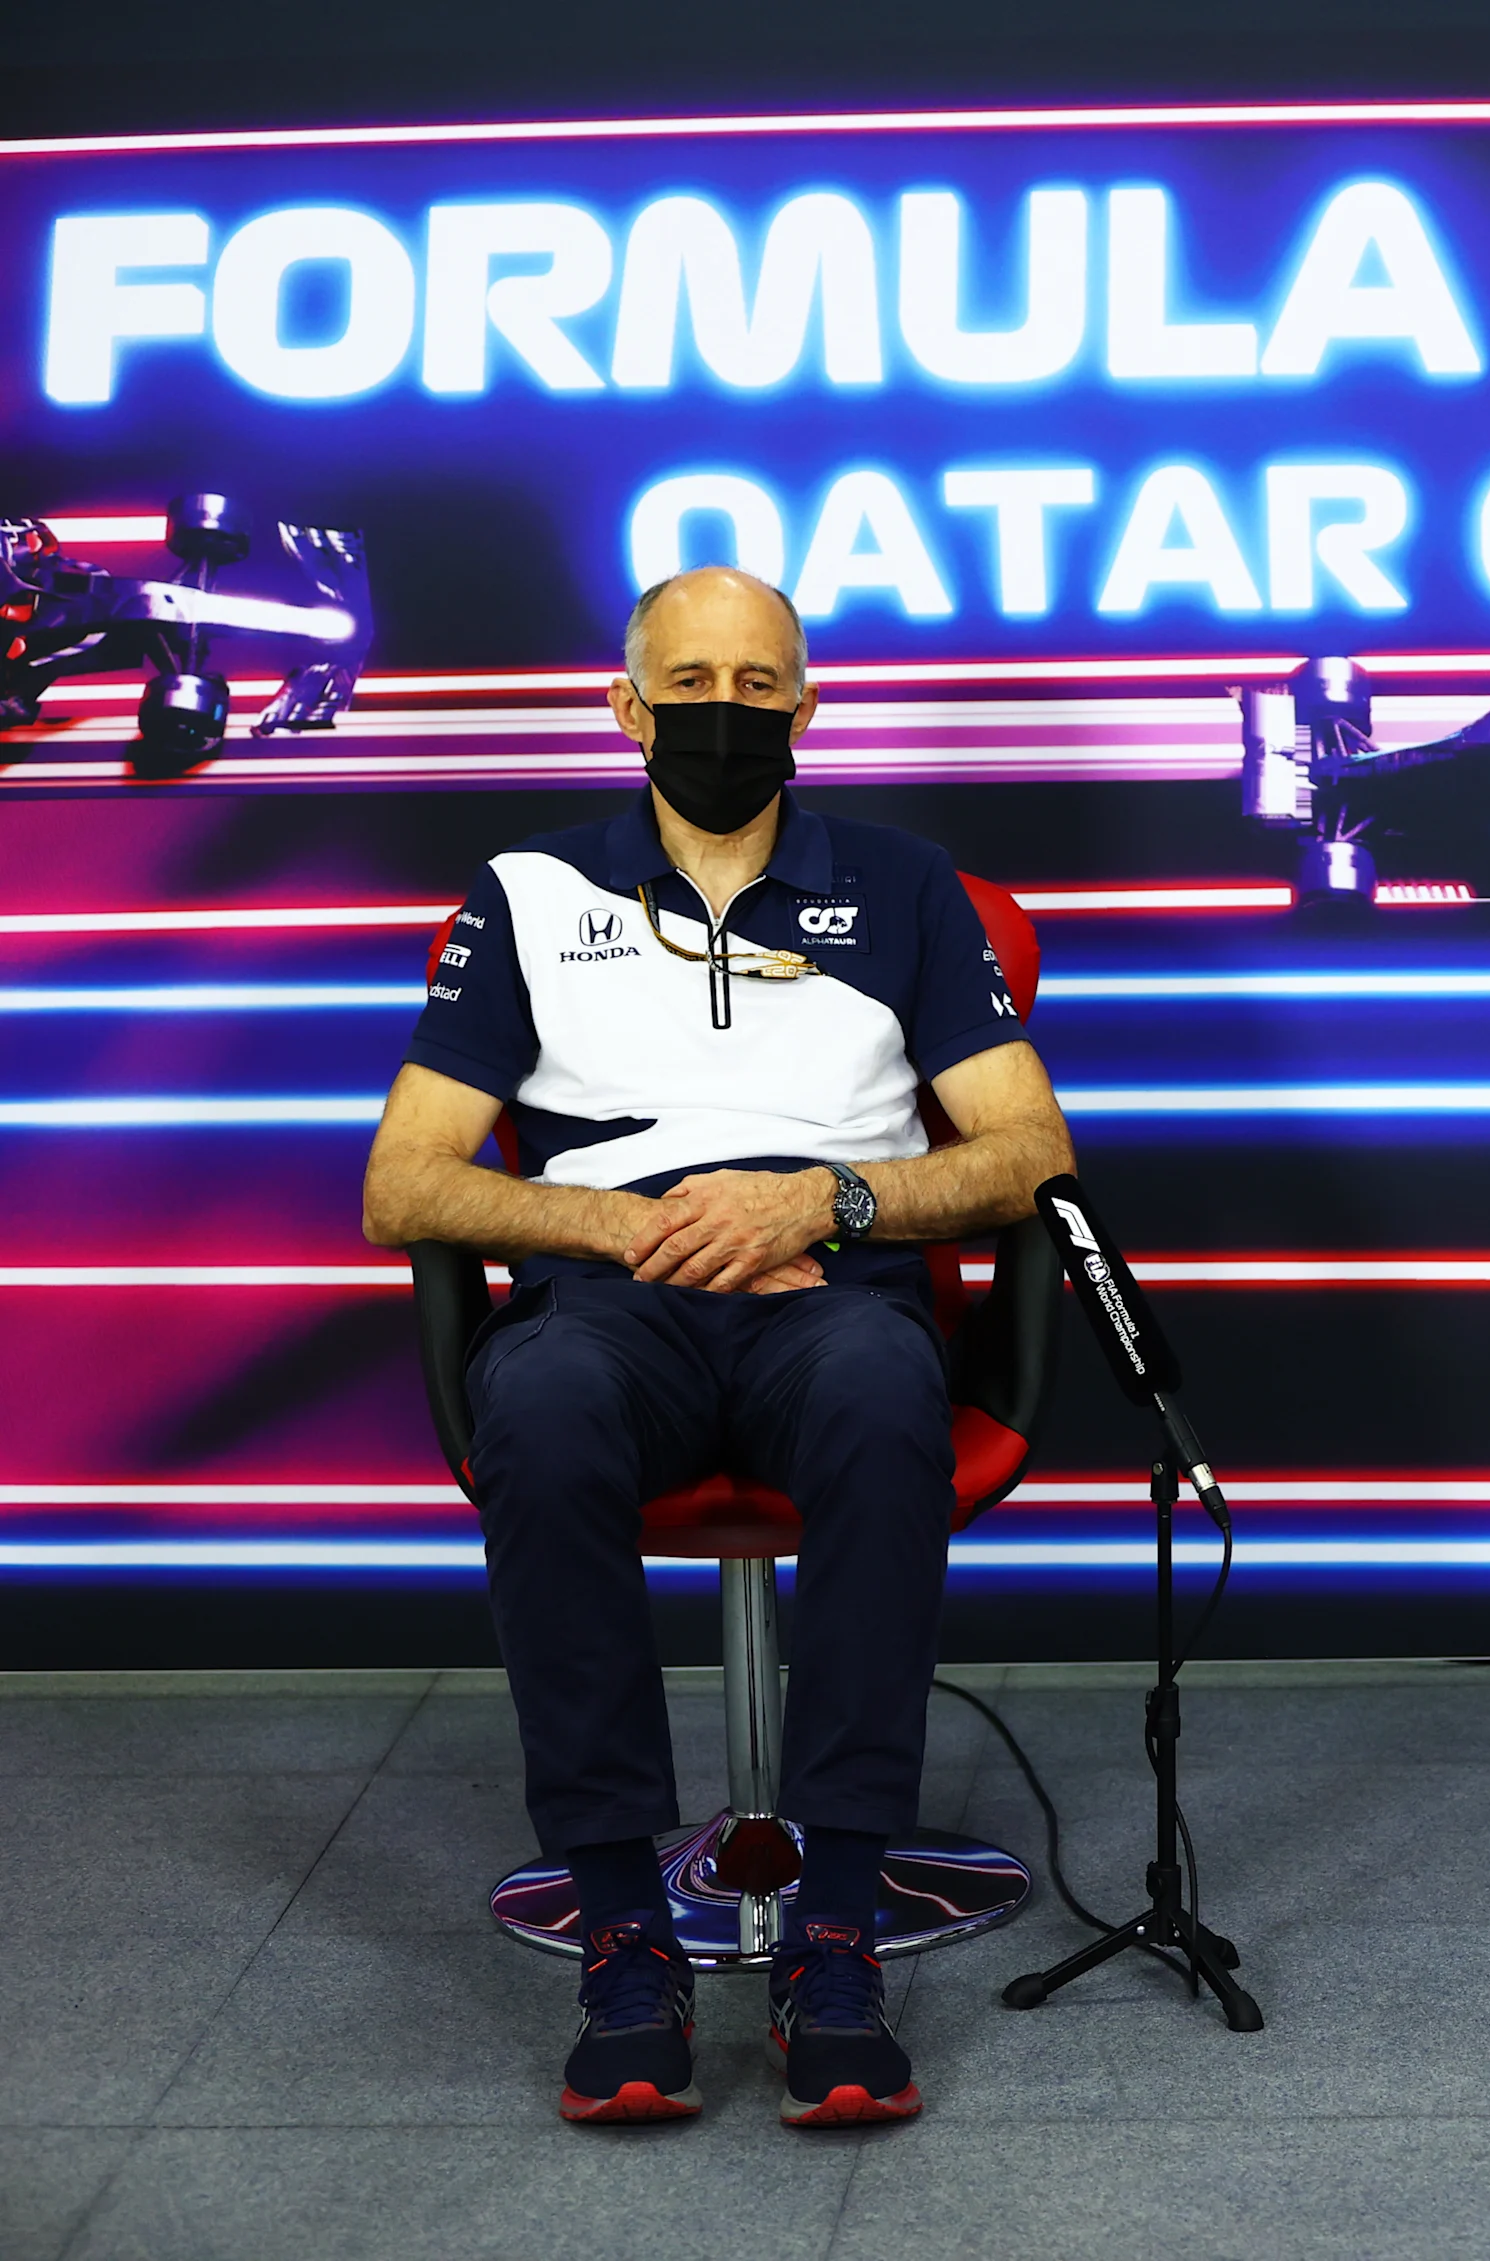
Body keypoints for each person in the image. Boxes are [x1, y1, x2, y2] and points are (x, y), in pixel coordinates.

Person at [361, 565, 1077, 2123]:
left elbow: (1029, 1155)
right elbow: (402, 1185)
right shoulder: (527, 890)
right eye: (690, 683)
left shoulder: (907, 886)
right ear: (628, 707)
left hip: (836, 1292)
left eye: (759, 684)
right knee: (540, 1412)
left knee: (886, 1399)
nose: (725, 712)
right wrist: (625, 1224)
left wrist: (819, 1197)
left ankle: (838, 1933)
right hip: (606, 1302)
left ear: (808, 704)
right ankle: (625, 1934)